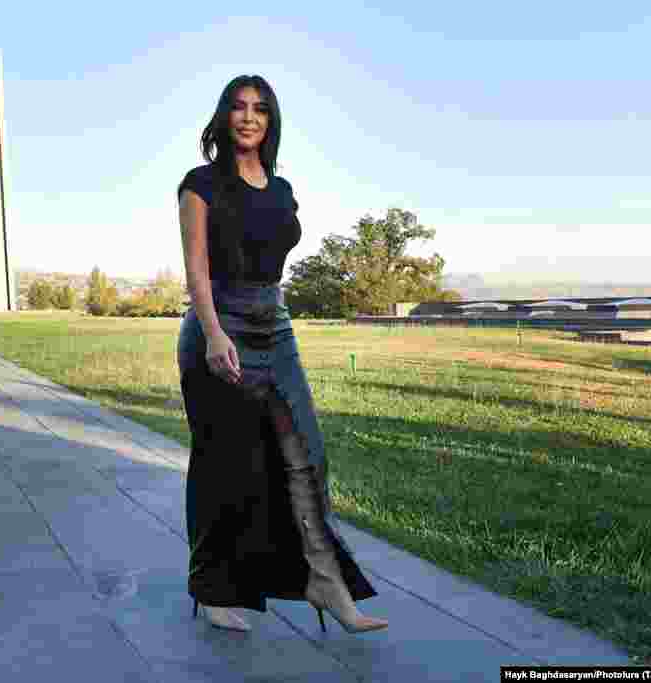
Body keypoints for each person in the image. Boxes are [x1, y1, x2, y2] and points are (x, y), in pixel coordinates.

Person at [176, 75, 388, 634]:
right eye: (240, 108)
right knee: (226, 466)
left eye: (261, 110)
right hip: (218, 327)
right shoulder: (199, 185)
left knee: (307, 457)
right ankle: (213, 588)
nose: (249, 118)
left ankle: (324, 581)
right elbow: (196, 269)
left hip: (276, 326)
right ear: (224, 116)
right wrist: (215, 333)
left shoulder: (282, 188)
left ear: (271, 121)